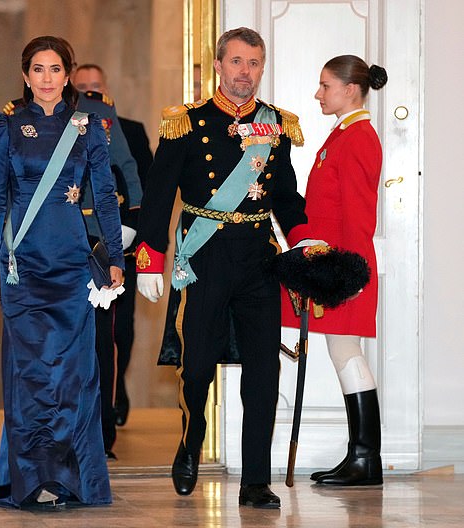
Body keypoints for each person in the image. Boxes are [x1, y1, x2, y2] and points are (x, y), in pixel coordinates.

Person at [134, 27, 311, 509]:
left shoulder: (277, 125)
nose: (245, 73)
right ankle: (192, 440)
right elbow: (156, 196)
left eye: (254, 63)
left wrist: (304, 239)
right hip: (204, 255)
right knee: (196, 368)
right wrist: (149, 258)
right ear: (218, 65)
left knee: (263, 372)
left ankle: (255, 478)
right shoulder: (185, 123)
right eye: (236, 62)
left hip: (258, 258)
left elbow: (286, 198)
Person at [0, 36, 123, 509]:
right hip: (21, 268)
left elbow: (104, 196)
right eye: (38, 70)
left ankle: (69, 479)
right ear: (25, 76)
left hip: (70, 268)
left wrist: (117, 259)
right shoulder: (6, 125)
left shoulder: (90, 128)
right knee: (28, 378)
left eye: (55, 69)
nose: (47, 78)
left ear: (68, 74)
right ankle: (29, 480)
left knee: (73, 377)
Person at [282, 55, 388, 486]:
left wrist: (348, 276)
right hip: (335, 267)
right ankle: (361, 457)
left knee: (346, 354)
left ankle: (366, 457)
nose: (318, 93)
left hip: (346, 269)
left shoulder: (359, 136)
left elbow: (361, 219)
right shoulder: (344, 134)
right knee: (343, 354)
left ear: (350, 88)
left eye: (325, 86)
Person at [73, 63, 153, 427]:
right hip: (74, 236)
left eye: (96, 86)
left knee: (116, 331)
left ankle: (109, 404)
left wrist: (133, 232)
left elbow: (137, 182)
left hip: (115, 239)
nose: (90, 93)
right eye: (82, 86)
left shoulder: (121, 127)